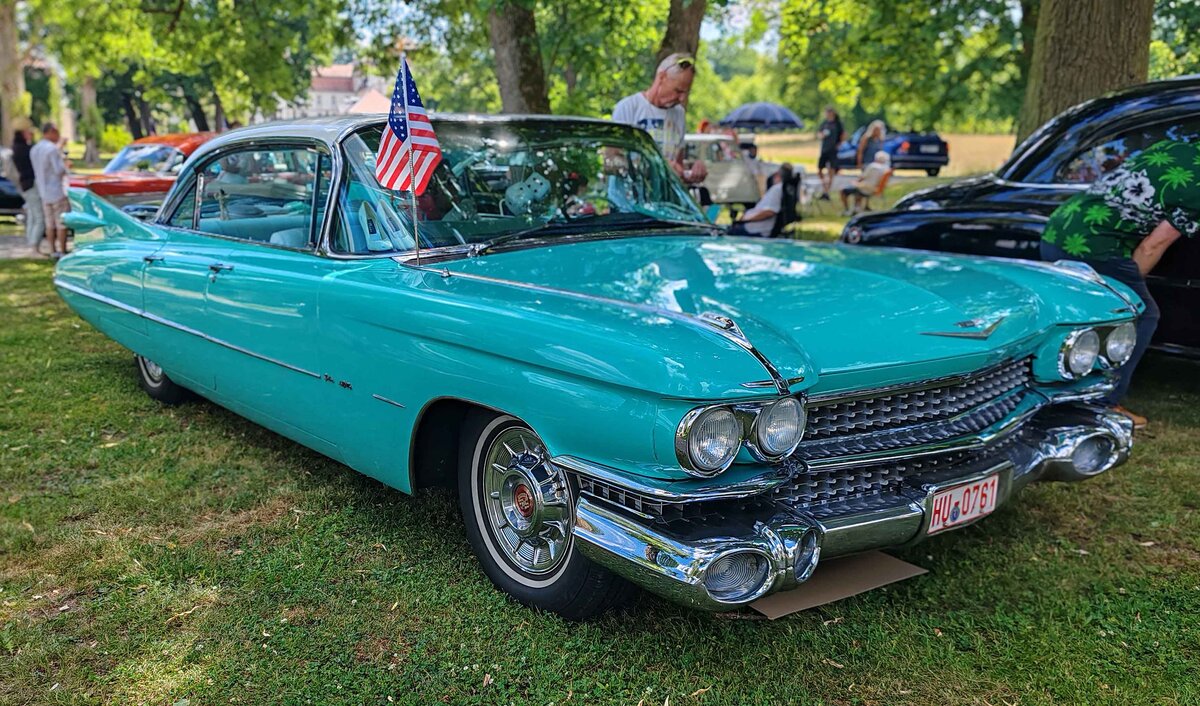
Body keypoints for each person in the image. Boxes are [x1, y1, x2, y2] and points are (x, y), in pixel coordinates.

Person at [1040, 139, 1200, 429]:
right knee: (1139, 315)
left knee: (1076, 319)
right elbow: (1152, 246)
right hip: (1094, 244)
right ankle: (1101, 406)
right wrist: (1124, 296)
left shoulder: (1179, 148)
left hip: (1060, 228)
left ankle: (1055, 395)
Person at [611, 52, 706, 185]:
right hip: (629, 201)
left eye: (686, 92)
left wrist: (690, 173)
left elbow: (677, 166)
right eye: (678, 91)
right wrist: (656, 165)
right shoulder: (628, 108)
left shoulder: (679, 114)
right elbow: (610, 161)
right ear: (661, 77)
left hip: (663, 201)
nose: (682, 98)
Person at [30, 122, 69, 258]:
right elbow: (58, 170)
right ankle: (62, 250)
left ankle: (52, 250)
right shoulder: (52, 149)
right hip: (56, 190)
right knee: (61, 222)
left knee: (49, 222)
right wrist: (66, 165)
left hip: (43, 191)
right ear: (51, 132)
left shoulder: (35, 149)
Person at [728, 163, 795, 237]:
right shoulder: (784, 189)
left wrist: (745, 220)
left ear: (778, 175)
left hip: (755, 228)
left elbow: (769, 212)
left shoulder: (777, 189)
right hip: (752, 226)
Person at [9, 119, 42, 255]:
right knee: (39, 217)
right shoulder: (26, 149)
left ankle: (31, 243)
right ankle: (34, 246)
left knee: (33, 215)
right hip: (31, 183)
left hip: (25, 184)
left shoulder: (16, 148)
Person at [840, 151, 889, 215]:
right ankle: (860, 207)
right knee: (857, 188)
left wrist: (855, 182)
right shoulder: (886, 168)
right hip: (875, 189)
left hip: (865, 188)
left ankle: (847, 210)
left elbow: (862, 177)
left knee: (844, 190)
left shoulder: (872, 166)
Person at [816, 106, 844, 200]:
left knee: (831, 170)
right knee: (820, 169)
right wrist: (822, 135)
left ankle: (827, 190)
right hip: (824, 149)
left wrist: (839, 144)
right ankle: (824, 187)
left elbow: (843, 134)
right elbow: (819, 133)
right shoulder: (824, 123)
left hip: (833, 150)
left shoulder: (837, 124)